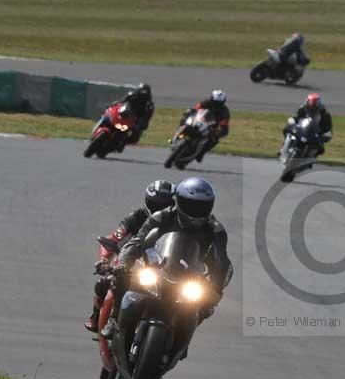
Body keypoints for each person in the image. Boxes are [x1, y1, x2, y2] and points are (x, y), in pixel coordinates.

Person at [101, 177, 233, 341]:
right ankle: (114, 319)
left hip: (190, 275)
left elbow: (221, 261)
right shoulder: (161, 217)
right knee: (120, 277)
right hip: (155, 265)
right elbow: (137, 241)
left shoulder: (216, 229)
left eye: (201, 206)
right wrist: (123, 262)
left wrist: (215, 289)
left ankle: (181, 342)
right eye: (191, 205)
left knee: (206, 305)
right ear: (179, 201)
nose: (196, 211)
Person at [84, 180, 175, 333]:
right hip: (133, 263)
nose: (160, 209)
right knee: (104, 283)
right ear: (148, 202)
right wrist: (104, 260)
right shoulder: (137, 217)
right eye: (156, 204)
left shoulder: (176, 222)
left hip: (164, 267)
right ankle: (101, 316)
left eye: (165, 205)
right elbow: (113, 239)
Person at [170, 90, 230, 163]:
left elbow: (224, 127)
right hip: (198, 120)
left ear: (223, 102)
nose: (216, 105)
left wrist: (218, 133)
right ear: (211, 99)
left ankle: (201, 154)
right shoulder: (206, 102)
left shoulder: (224, 112)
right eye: (215, 102)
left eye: (219, 103)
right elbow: (196, 109)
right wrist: (190, 112)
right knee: (186, 114)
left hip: (210, 127)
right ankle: (177, 132)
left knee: (214, 140)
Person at [117, 83, 155, 150]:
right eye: (141, 93)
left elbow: (147, 117)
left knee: (135, 137)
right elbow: (122, 101)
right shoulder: (132, 95)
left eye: (145, 94)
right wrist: (117, 104)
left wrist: (142, 125)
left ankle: (122, 143)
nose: (142, 96)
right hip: (127, 113)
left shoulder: (149, 105)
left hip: (137, 120)